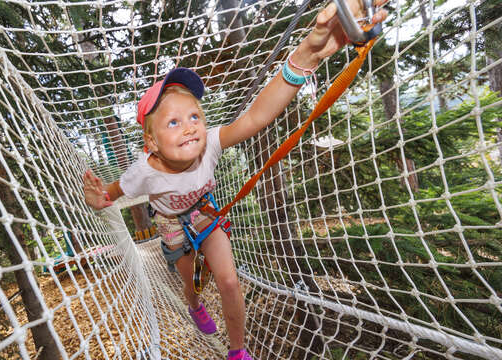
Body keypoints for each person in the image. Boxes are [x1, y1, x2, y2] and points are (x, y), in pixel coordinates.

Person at [84, 1, 388, 358]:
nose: (190, 127)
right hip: (171, 227)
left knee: (228, 279)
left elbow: (256, 117)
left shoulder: (210, 143)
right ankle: (195, 306)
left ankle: (238, 350)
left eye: (194, 116)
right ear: (150, 142)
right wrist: (98, 197)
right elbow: (111, 193)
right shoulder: (143, 171)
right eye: (173, 122)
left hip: (205, 215)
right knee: (192, 283)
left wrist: (307, 55)